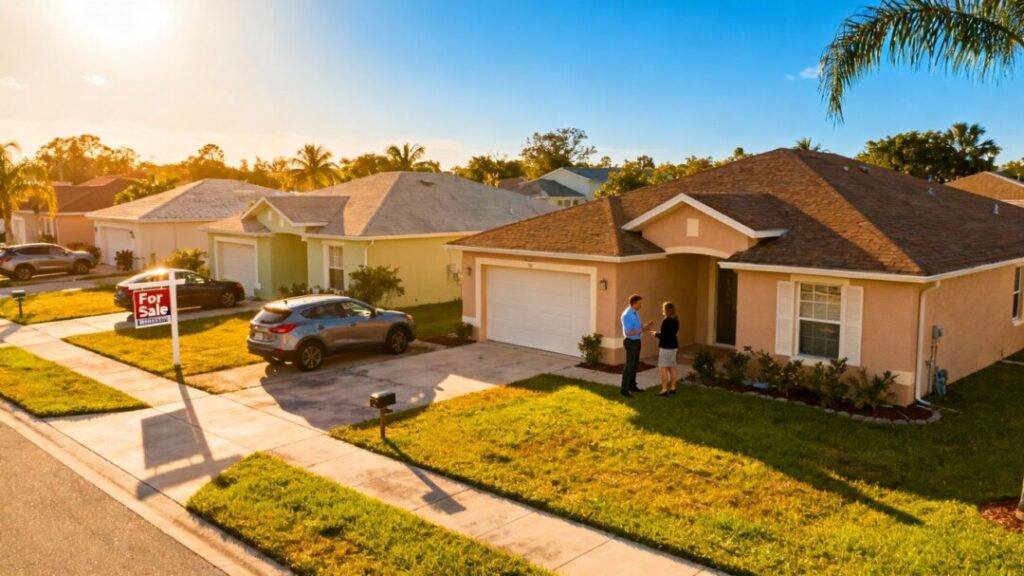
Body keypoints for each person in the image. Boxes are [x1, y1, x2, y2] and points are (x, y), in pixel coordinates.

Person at [620, 294, 652, 398]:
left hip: (636, 341)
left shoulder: (635, 313)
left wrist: (646, 325)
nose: (640, 304)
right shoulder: (627, 315)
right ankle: (624, 389)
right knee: (629, 365)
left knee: (634, 364)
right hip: (630, 342)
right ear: (634, 303)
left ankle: (632, 386)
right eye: (639, 302)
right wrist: (643, 329)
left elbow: (638, 326)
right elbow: (628, 332)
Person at [652, 302, 679, 397]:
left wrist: (655, 334)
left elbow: (664, 335)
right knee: (672, 367)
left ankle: (664, 390)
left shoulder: (666, 321)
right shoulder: (676, 320)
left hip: (666, 347)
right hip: (674, 346)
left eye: (663, 308)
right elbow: (671, 333)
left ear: (666, 310)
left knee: (663, 368)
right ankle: (673, 388)